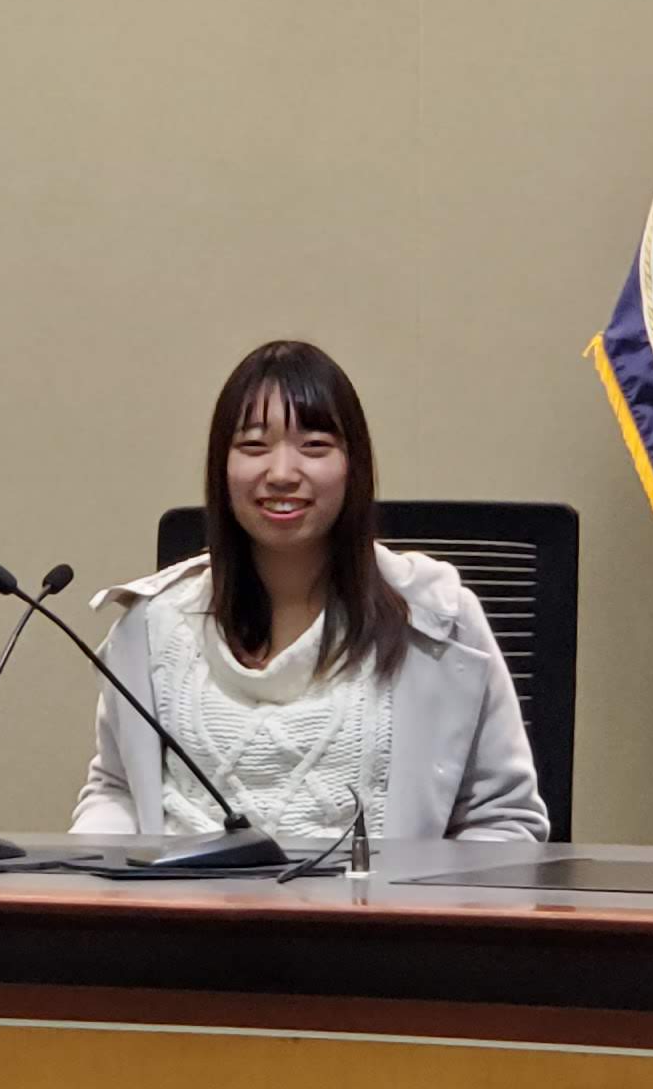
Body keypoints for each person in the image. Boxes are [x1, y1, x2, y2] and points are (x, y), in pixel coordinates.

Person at [74, 340, 547, 851]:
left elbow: (505, 819)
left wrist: (424, 918)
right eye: (254, 446)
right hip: (182, 921)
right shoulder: (153, 624)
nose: (281, 473)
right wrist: (98, 889)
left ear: (353, 466)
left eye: (315, 446)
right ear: (221, 467)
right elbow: (117, 790)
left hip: (377, 923)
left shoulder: (436, 617)